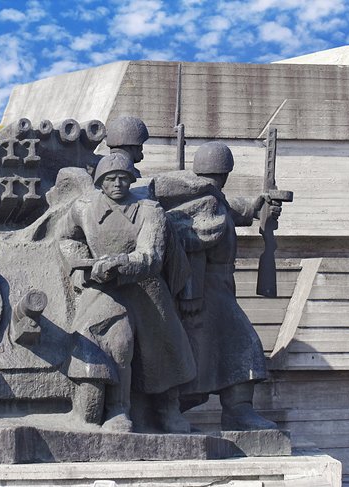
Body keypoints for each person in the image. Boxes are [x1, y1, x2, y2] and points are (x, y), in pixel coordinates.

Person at [58, 152, 196, 433]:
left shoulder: (149, 210)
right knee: (115, 345)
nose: (118, 183)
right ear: (100, 182)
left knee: (164, 350)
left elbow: (152, 255)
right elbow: (66, 237)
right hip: (104, 288)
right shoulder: (84, 208)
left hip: (146, 289)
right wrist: (80, 266)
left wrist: (121, 263)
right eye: (111, 179)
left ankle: (168, 409)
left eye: (124, 178)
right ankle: (118, 409)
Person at [154, 141, 282, 430]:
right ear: (226, 172)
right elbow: (195, 245)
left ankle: (218, 410)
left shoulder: (210, 199)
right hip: (207, 290)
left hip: (215, 287)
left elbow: (229, 210)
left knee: (207, 352)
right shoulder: (207, 203)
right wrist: (191, 293)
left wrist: (256, 206)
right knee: (244, 343)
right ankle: (237, 411)